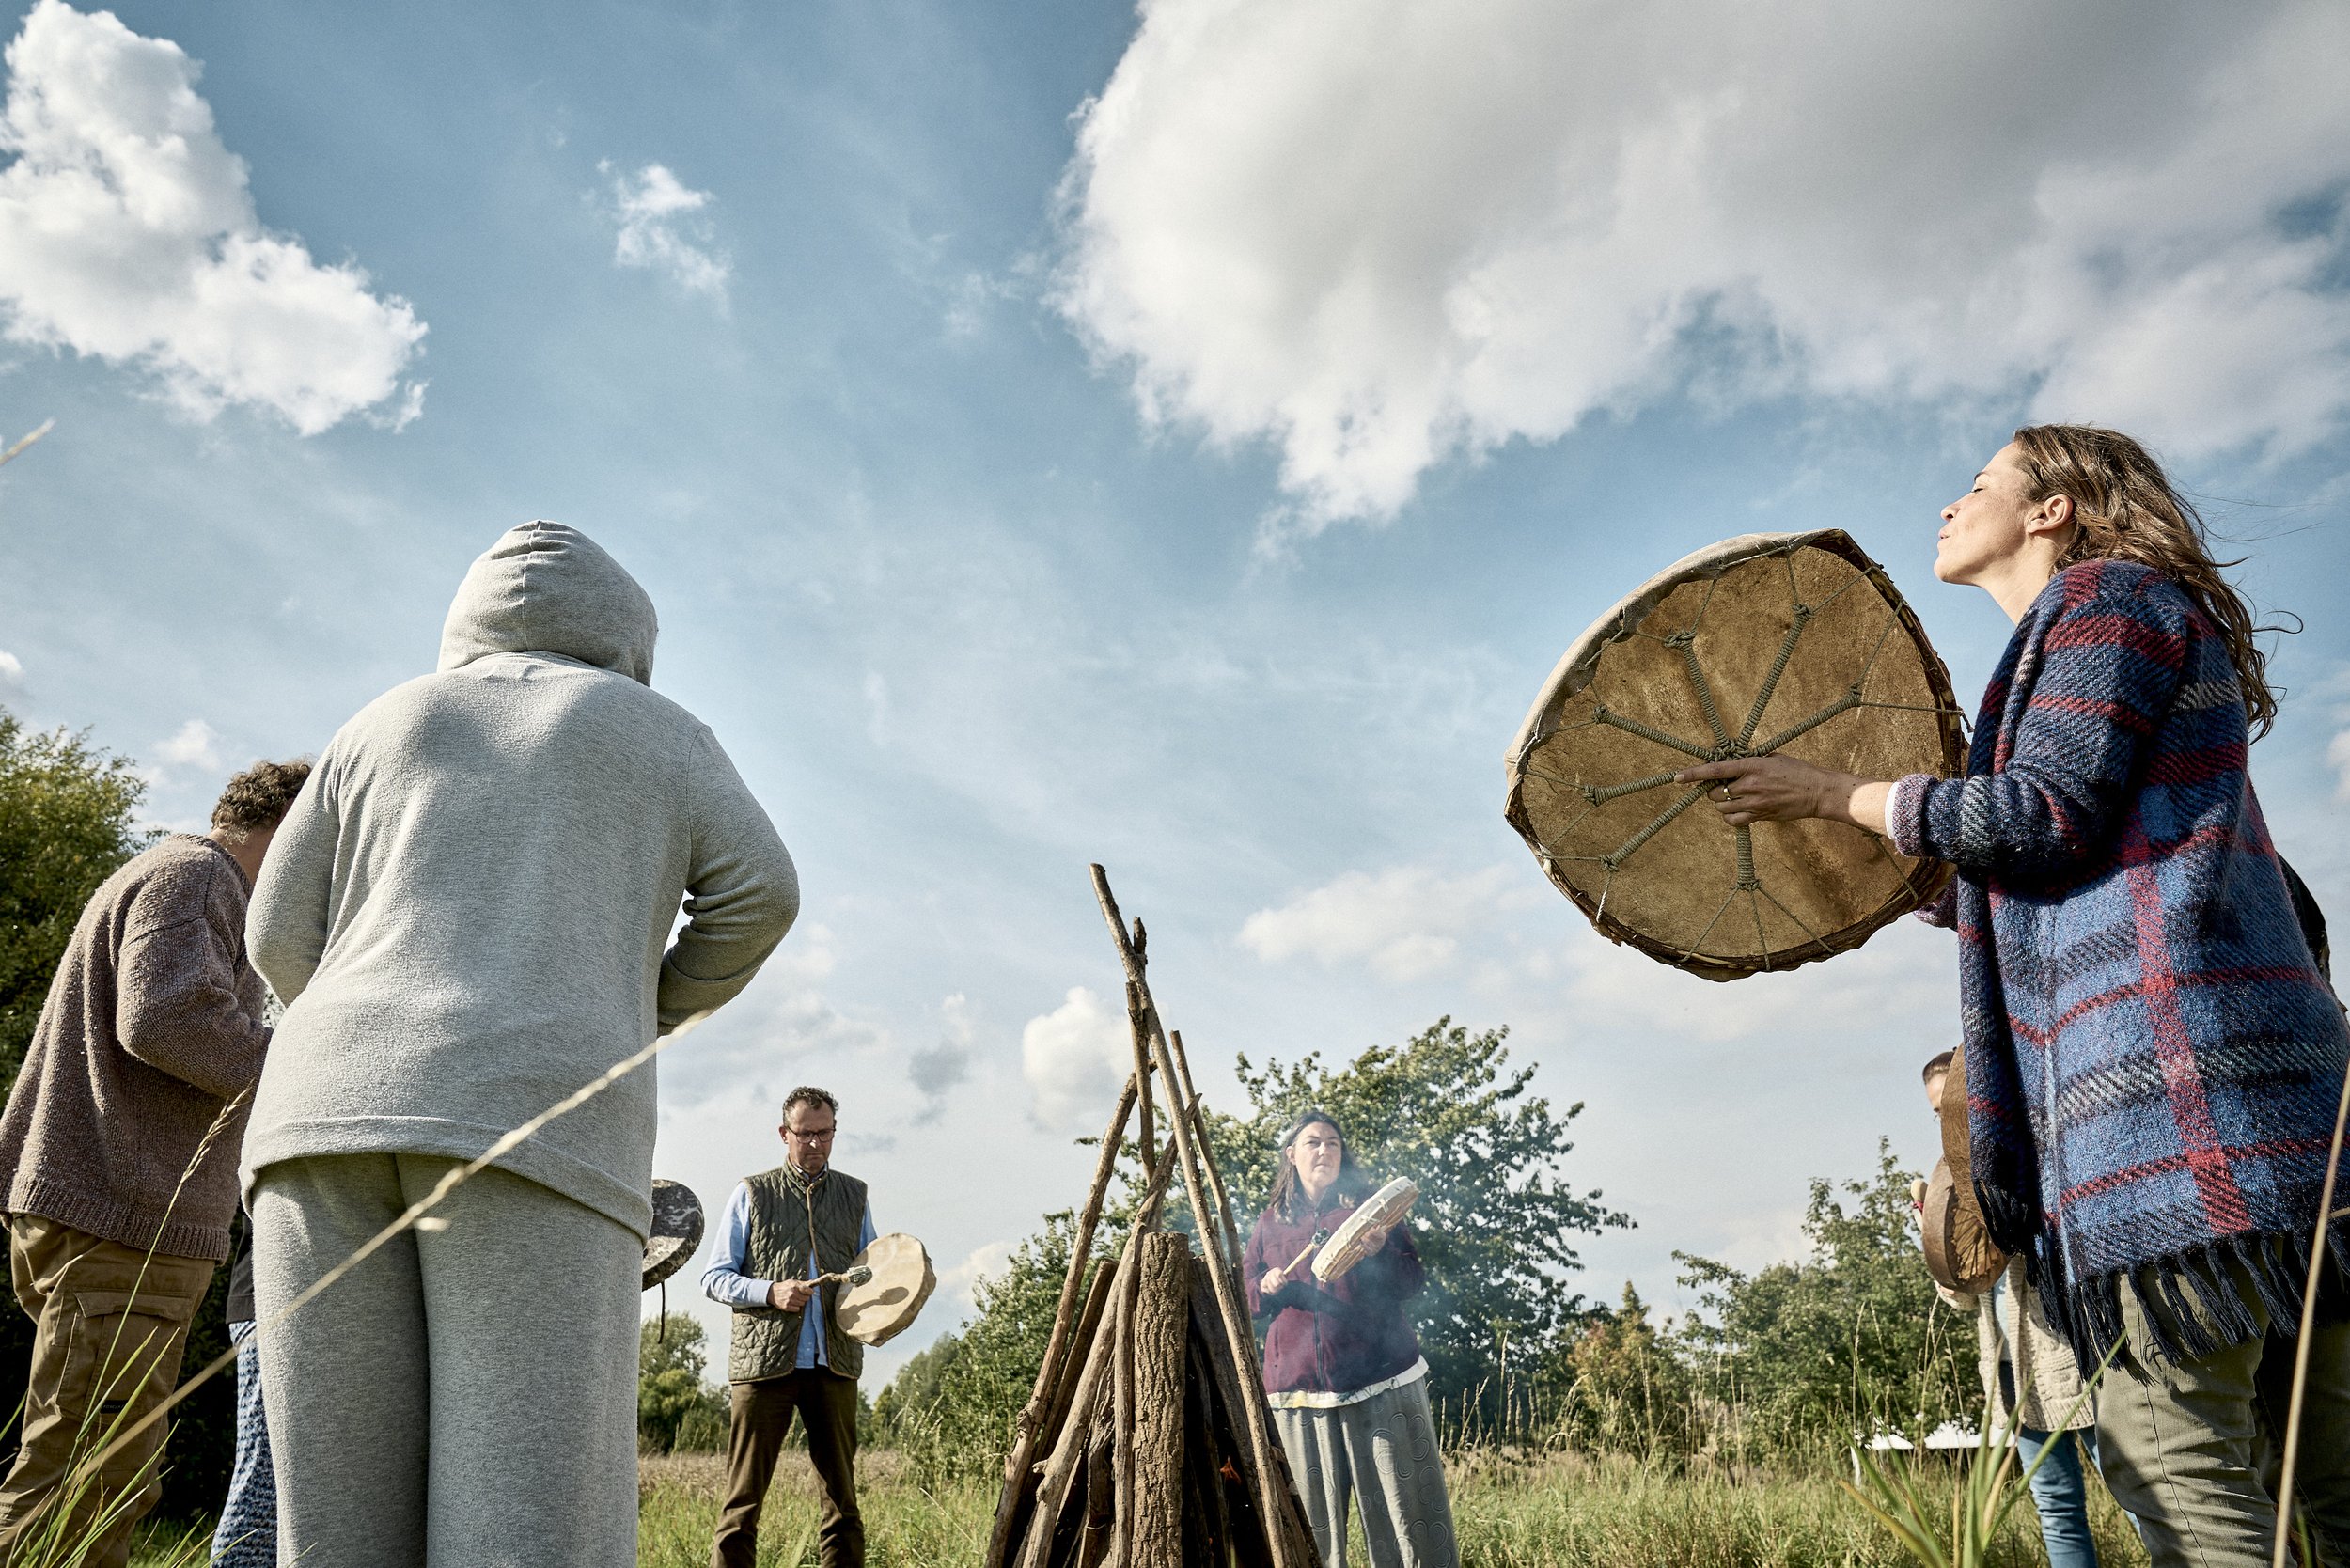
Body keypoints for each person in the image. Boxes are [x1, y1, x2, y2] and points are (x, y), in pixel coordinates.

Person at [1683, 426, 2350, 1566]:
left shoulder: (2104, 601)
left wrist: (1842, 793)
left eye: (1979, 485)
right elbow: (2066, 874)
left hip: (2179, 1137)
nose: (1949, 505)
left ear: (2053, 509)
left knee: (2173, 1465)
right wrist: (1875, 858)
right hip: (2273, 1145)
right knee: (2322, 1485)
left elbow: (2042, 816)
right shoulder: (2110, 622)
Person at [243, 521, 800, 1568]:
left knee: (333, 1527)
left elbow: (274, 929)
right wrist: (640, 1015)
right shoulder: (654, 727)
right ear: (628, 633)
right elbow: (761, 894)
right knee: (521, 1516)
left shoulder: (381, 720)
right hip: (533, 1114)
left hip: (315, 1119)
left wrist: (358, 1032)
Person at [0, 759, 308, 1567]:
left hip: (109, 1215)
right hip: (124, 1221)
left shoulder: (179, 876)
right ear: (294, 831)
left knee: (91, 1463)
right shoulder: (197, 874)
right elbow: (165, 1018)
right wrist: (316, 1061)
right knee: (91, 1478)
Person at [1242, 1109, 1458, 1568]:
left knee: (1408, 1522)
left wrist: (1378, 1254)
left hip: (1381, 1378)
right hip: (1298, 1391)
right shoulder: (1271, 1223)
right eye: (1314, 1142)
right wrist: (1264, 1287)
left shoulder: (1369, 1212)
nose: (1325, 1150)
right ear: (1292, 1155)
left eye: (1333, 1143)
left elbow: (1412, 1282)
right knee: (1310, 1532)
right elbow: (1245, 1295)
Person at [1920, 1050, 2104, 1568]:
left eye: (1948, 1107)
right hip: (2012, 1372)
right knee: (2055, 1506)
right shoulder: (1949, 1186)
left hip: (2070, 1357)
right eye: (1935, 1114)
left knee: (2137, 1489)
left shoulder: (2034, 1152)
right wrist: (1936, 1246)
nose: (1944, 1120)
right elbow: (1962, 1294)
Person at [703, 1086, 876, 1568]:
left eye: (824, 1134)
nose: (816, 1144)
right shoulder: (752, 1192)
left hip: (835, 1365)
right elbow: (713, 1278)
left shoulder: (855, 1195)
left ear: (834, 1132)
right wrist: (770, 1292)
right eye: (805, 1134)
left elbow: (872, 1273)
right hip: (762, 1368)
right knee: (742, 1507)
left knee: (842, 1508)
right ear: (784, 1134)